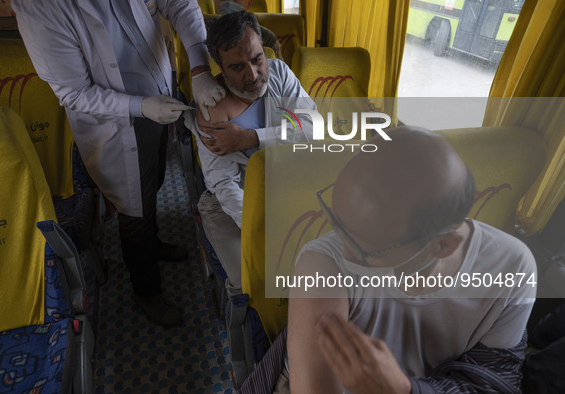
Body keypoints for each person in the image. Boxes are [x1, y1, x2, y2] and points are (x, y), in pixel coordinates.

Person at [12, 0, 226, 327]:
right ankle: (146, 290)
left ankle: (153, 245)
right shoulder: (40, 8)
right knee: (134, 208)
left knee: (152, 181)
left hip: (157, 89)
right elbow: (75, 92)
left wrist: (198, 68)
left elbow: (180, 3)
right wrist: (141, 106)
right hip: (115, 118)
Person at [287, 127, 537, 393]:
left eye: (364, 249)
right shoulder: (322, 265)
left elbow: (492, 382)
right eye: (336, 221)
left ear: (443, 245)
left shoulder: (512, 268)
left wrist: (405, 390)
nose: (345, 256)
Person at [183, 11, 314, 291]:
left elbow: (312, 128)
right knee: (255, 279)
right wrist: (268, 230)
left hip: (285, 182)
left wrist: (251, 138)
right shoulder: (212, 107)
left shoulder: (278, 73)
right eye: (238, 67)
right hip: (231, 201)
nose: (253, 74)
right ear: (220, 68)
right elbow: (225, 184)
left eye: (257, 59)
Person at [211, 0, 283, 61]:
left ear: (248, 3)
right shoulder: (204, 33)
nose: (228, 3)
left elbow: (280, 73)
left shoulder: (267, 38)